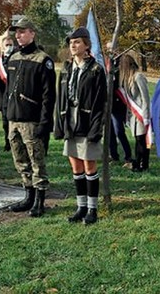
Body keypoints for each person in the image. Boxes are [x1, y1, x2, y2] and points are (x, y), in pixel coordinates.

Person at [4, 18, 56, 217]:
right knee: (20, 160)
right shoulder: (14, 58)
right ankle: (28, 196)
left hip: (31, 120)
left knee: (36, 161)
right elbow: (8, 90)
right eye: (16, 32)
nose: (18, 36)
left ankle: (40, 200)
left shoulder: (43, 60)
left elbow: (48, 96)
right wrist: (6, 116)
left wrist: (45, 123)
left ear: (32, 33)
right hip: (14, 119)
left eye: (22, 32)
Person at [55, 27, 107, 225]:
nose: (73, 46)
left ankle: (93, 209)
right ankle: (81, 206)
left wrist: (96, 128)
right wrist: (59, 123)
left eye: (77, 42)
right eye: (71, 42)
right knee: (75, 165)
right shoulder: (67, 68)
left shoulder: (95, 70)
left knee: (89, 165)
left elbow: (101, 101)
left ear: (86, 45)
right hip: (70, 120)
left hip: (87, 120)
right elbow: (61, 97)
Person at [118, 54, 151, 172]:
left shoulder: (138, 77)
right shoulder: (127, 79)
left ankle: (142, 164)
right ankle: (139, 162)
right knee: (138, 140)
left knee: (141, 140)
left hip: (141, 114)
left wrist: (146, 116)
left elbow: (145, 97)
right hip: (133, 115)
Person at [105, 42, 133, 166]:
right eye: (109, 49)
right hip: (108, 104)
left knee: (119, 131)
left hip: (117, 103)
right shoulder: (107, 63)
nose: (111, 51)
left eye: (113, 49)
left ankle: (128, 156)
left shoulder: (122, 63)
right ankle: (114, 155)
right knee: (109, 131)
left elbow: (119, 83)